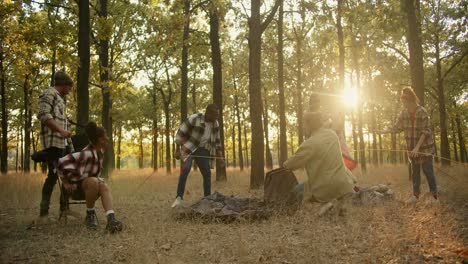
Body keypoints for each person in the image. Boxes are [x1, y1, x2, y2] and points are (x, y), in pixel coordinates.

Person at [58, 122, 123, 232]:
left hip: (91, 187)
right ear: (100, 140)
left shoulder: (100, 152)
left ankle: (111, 219)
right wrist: (65, 183)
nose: (107, 138)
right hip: (76, 189)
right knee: (94, 181)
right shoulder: (86, 154)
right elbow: (60, 163)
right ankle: (90, 215)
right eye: (105, 137)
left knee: (103, 185)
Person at [283, 112, 357, 203]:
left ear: (309, 125)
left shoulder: (310, 144)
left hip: (325, 187)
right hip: (344, 183)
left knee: (295, 191)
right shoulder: (332, 135)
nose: (303, 127)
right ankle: (332, 205)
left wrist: (285, 164)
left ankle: (284, 213)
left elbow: (290, 165)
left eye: (304, 125)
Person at [380, 87, 438, 204]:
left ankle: (435, 197)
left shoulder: (422, 112)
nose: (403, 103)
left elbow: (426, 131)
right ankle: (415, 196)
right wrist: (383, 131)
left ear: (410, 100)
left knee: (428, 171)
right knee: (415, 172)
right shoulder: (403, 113)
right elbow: (397, 127)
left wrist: (417, 148)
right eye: (402, 101)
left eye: (404, 101)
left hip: (425, 148)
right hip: (412, 148)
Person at [172, 104, 225, 207]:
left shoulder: (215, 123)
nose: (216, 117)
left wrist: (221, 158)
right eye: (215, 115)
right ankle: (179, 198)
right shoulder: (194, 118)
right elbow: (180, 133)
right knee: (185, 169)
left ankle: (207, 199)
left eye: (217, 115)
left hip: (202, 150)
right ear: (208, 113)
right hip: (189, 148)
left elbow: (217, 142)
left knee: (207, 173)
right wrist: (177, 150)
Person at [36, 71, 74, 218]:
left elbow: (54, 115)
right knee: (52, 177)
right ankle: (43, 212)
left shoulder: (59, 98)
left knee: (68, 174)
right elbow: (44, 115)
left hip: (62, 144)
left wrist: (65, 119)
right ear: (63, 85)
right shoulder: (48, 93)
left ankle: (64, 210)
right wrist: (61, 131)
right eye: (69, 88)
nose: (69, 91)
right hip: (53, 144)